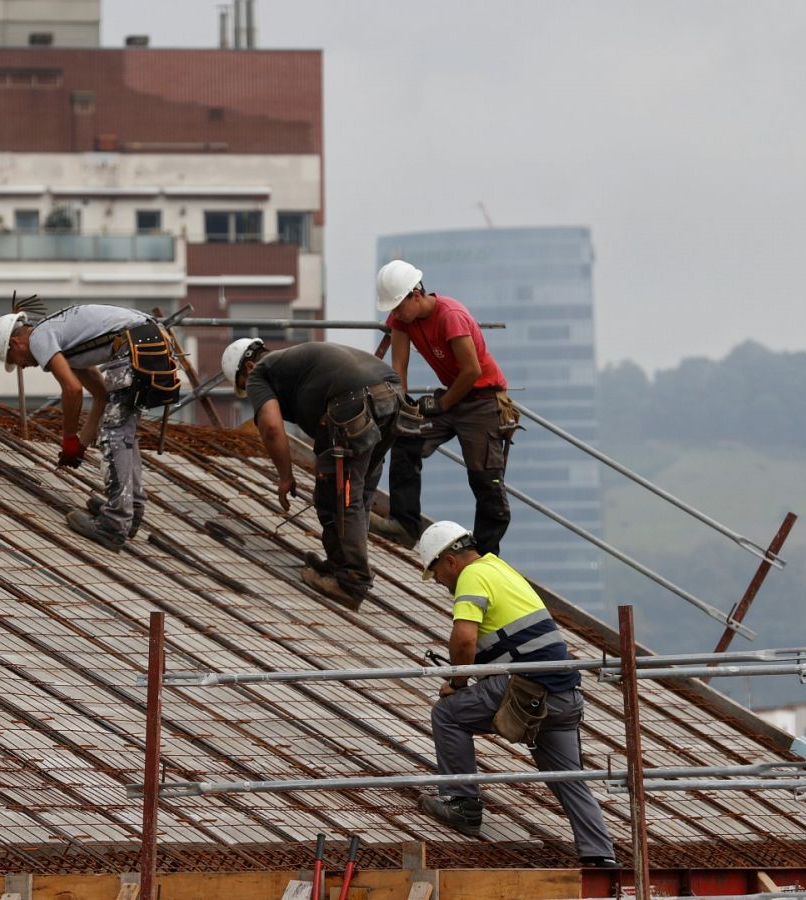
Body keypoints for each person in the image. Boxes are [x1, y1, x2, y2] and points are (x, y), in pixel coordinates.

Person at [415, 520, 618, 867]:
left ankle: (462, 804)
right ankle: (600, 856)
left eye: (435, 573)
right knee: (567, 777)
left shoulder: (471, 576)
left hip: (528, 691)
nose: (439, 582)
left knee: (447, 714)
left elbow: (464, 639)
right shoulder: (499, 568)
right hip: (564, 695)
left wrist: (458, 683)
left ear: (449, 561)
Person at [223, 338, 402, 609]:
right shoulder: (292, 361)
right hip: (393, 399)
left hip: (353, 405)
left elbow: (271, 428)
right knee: (359, 494)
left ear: (248, 366)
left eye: (244, 387)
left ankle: (351, 581)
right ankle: (340, 565)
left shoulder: (260, 372)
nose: (250, 394)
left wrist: (285, 476)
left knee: (337, 495)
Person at [0, 303, 179, 551]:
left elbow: (72, 390)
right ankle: (131, 509)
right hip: (149, 343)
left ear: (15, 343)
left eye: (15, 361)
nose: (23, 366)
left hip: (136, 347)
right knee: (122, 434)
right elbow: (100, 396)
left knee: (114, 436)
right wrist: (80, 446)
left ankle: (114, 523)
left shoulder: (39, 337)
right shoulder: (69, 345)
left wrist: (68, 438)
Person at [373, 259, 519, 555]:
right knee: (406, 438)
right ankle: (404, 523)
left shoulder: (450, 316)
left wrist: (442, 404)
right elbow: (399, 363)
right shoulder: (402, 319)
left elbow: (472, 371)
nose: (395, 314)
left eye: (398, 307)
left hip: (482, 400)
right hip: (453, 397)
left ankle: (483, 556)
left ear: (416, 295)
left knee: (485, 479)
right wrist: (402, 404)